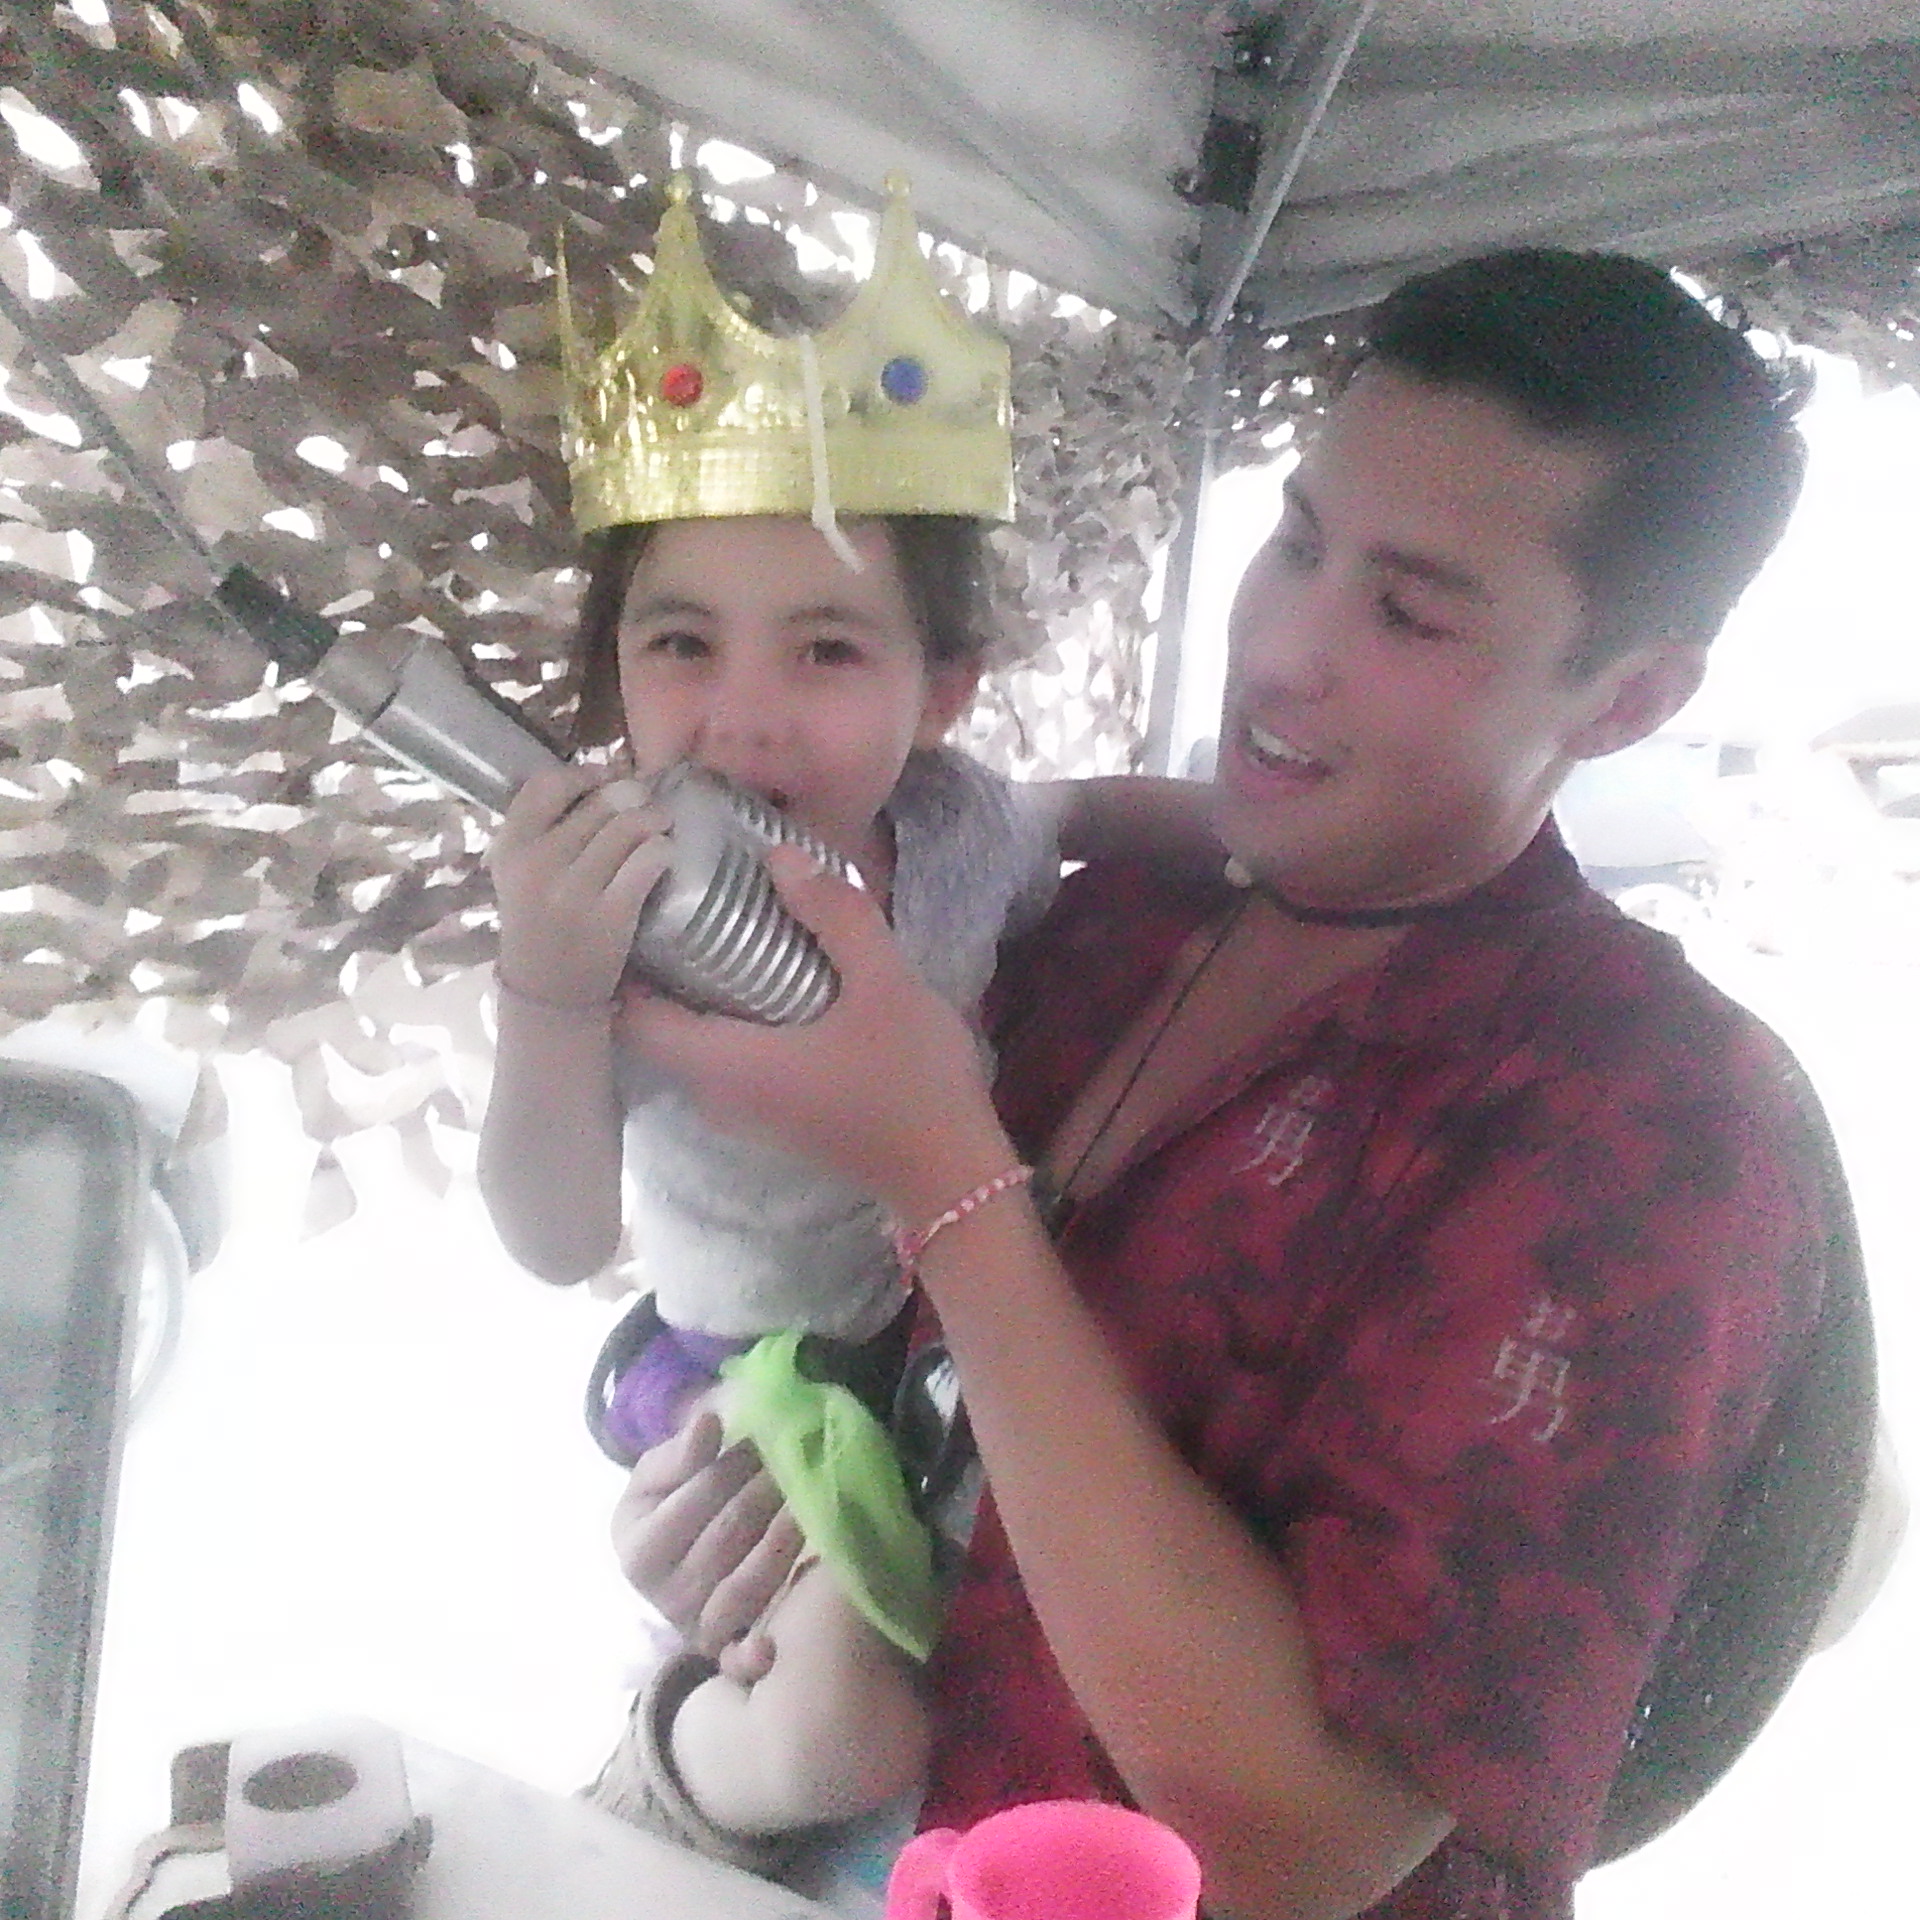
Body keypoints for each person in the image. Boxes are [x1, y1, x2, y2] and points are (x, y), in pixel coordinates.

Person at [606, 249, 1876, 1919]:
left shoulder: (1644, 1124)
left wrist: (946, 1178)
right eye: (1294, 541)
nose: (1280, 650)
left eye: (1407, 612)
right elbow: (867, 1373)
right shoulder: (1110, 920)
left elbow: (1303, 1840)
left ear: (1630, 697)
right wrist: (718, 1540)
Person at [477, 177, 1212, 1870]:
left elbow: (1087, 811)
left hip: (965, 1334)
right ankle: (668, 1770)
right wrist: (545, 995)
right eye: (681, 644)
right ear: (615, 674)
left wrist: (1262, 847)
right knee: (846, 1733)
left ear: (937, 693)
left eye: (823, 652)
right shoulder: (615, 909)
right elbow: (553, 1234)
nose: (743, 720)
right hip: (763, 1380)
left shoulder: (952, 831)